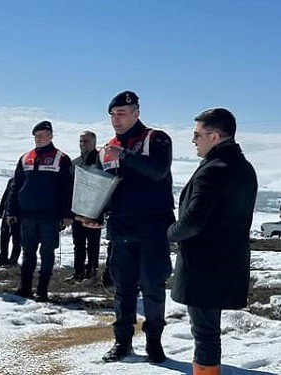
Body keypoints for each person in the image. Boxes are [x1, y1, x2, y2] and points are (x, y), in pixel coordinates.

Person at [76, 91, 175, 363]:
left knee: (153, 286)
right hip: (121, 228)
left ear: (136, 113)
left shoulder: (156, 138)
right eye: (112, 115)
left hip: (153, 227)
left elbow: (158, 171)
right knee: (123, 288)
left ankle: (154, 342)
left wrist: (125, 155)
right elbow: (104, 188)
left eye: (121, 114)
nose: (116, 120)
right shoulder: (106, 147)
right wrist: (94, 214)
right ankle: (122, 342)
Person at [168, 108, 257, 375]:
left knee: (204, 333)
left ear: (215, 136)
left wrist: (170, 233)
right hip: (227, 262)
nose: (194, 141)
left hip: (204, 265)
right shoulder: (242, 166)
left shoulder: (214, 169)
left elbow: (194, 220)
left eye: (197, 135)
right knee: (208, 330)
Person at [7, 120, 74, 303]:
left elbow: (68, 188)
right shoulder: (25, 158)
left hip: (50, 217)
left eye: (42, 135)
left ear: (51, 136)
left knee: (47, 253)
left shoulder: (61, 158)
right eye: (36, 136)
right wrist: (11, 210)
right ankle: (24, 288)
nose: (39, 139)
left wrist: (68, 214)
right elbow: (15, 186)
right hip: (27, 216)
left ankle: (42, 290)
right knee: (27, 253)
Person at [67, 131, 102, 282]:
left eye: (86, 141)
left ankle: (92, 273)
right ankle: (78, 272)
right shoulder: (74, 163)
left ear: (94, 142)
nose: (83, 144)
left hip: (94, 210)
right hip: (77, 209)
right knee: (78, 244)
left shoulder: (101, 161)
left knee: (93, 243)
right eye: (81, 141)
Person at [0, 177, 21, 267]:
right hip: (7, 214)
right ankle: (3, 259)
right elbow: (5, 196)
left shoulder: (28, 180)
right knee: (4, 237)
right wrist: (0, 211)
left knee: (17, 239)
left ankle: (13, 260)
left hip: (20, 215)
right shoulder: (12, 181)